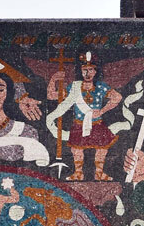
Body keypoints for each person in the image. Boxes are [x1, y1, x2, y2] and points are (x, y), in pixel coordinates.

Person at [47, 51, 125, 181]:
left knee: (102, 149)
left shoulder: (100, 87)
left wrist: (102, 111)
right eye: (85, 70)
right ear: (81, 71)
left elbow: (117, 97)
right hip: (79, 123)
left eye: (91, 70)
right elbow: (51, 95)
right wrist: (53, 79)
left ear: (95, 71)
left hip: (97, 123)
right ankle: (78, 173)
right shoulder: (75, 87)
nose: (87, 73)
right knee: (76, 150)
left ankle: (99, 173)